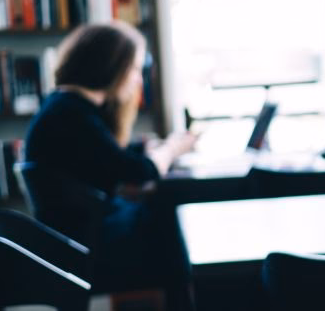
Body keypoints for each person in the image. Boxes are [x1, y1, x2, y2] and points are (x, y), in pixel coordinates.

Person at [24, 21, 198, 283]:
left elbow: (106, 159)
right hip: (92, 244)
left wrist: (147, 150)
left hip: (85, 236)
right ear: (111, 67)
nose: (138, 79)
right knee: (172, 209)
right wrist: (173, 148)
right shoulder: (71, 113)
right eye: (135, 69)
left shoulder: (65, 106)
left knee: (169, 207)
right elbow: (139, 172)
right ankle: (203, 299)